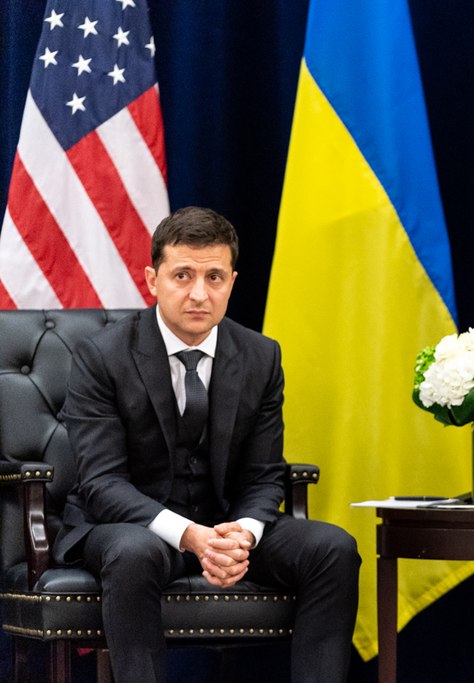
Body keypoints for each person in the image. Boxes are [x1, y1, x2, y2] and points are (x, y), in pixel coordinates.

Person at [54, 206, 360, 682]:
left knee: (333, 548)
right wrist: (192, 536)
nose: (200, 293)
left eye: (214, 277)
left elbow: (263, 474)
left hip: (225, 522)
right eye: (183, 275)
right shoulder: (102, 356)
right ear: (153, 280)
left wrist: (242, 534)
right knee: (134, 553)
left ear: (232, 282)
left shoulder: (261, 355)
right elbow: (101, 483)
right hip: (132, 525)